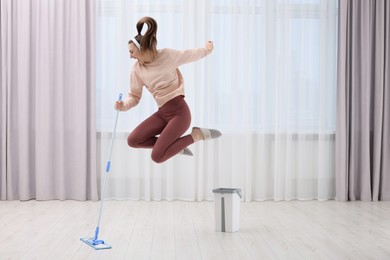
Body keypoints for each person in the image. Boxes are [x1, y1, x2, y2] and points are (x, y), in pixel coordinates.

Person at [114, 16, 221, 163]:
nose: (130, 56)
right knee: (133, 140)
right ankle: (174, 147)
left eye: (132, 52)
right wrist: (123, 105)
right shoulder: (137, 70)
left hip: (179, 114)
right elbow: (134, 96)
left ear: (142, 48)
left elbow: (189, 55)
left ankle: (196, 135)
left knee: (157, 156)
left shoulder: (167, 55)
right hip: (163, 114)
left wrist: (207, 50)